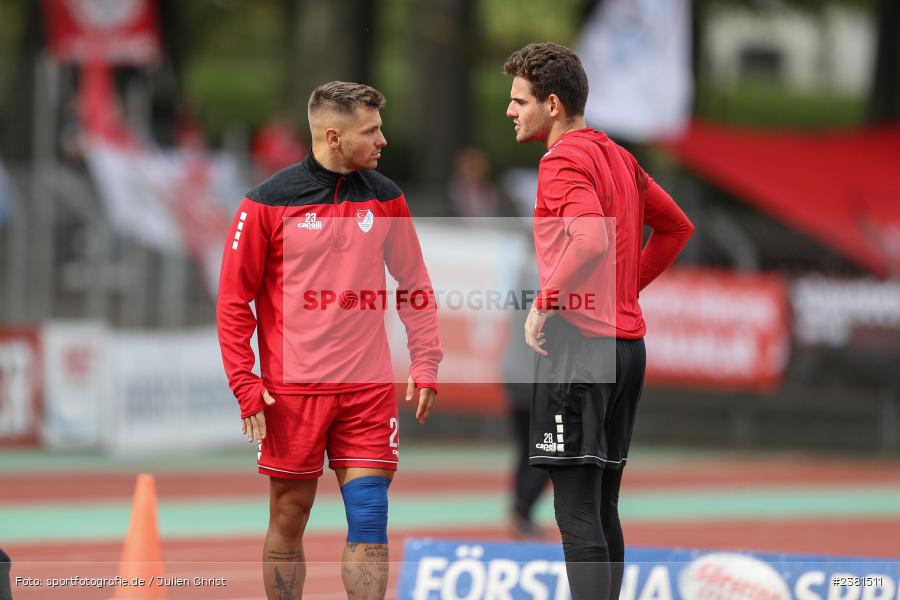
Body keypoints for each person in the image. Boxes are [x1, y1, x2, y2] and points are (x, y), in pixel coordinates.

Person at [216, 81, 442, 600]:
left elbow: (415, 286)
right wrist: (244, 383)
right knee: (290, 516)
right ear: (334, 137)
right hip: (292, 393)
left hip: (366, 391)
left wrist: (426, 361)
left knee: (369, 515)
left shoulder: (387, 198)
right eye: (372, 131)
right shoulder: (265, 203)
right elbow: (233, 301)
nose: (383, 140)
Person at [503, 43, 694, 600]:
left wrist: (545, 301)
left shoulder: (562, 160)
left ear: (553, 103)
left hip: (580, 347)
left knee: (576, 510)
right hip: (627, 348)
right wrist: (624, 288)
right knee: (603, 504)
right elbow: (677, 227)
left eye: (519, 100)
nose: (511, 111)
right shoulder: (617, 155)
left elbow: (588, 237)